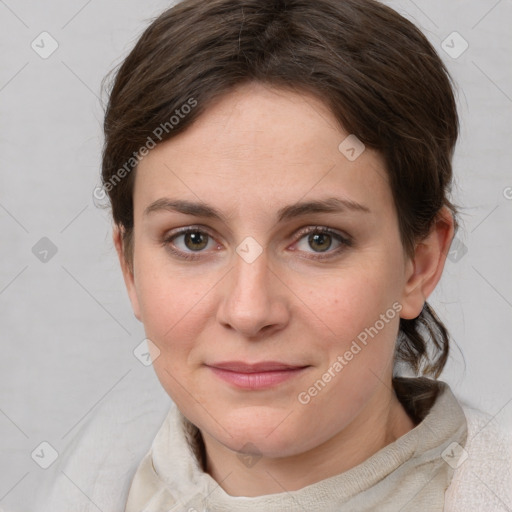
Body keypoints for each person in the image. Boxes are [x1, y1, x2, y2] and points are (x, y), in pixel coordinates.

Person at [33, 0, 512, 511]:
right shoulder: (94, 478)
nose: (249, 311)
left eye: (319, 239)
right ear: (129, 266)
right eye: (193, 239)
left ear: (419, 263)